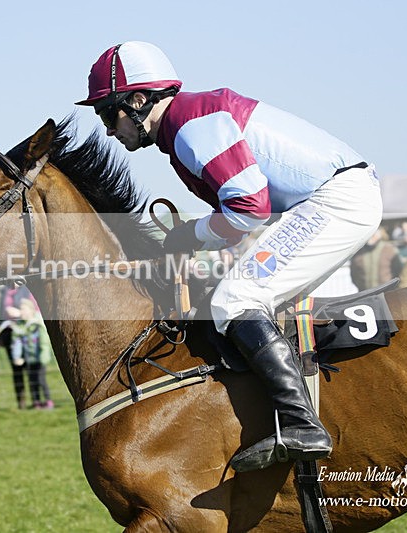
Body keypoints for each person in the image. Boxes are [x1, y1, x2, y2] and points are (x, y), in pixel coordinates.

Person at [77, 41, 383, 471]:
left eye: (108, 113)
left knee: (235, 299)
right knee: (239, 295)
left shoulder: (190, 126)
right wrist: (195, 237)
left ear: (138, 101)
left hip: (332, 201)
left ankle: (301, 424)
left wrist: (189, 234)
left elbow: (249, 208)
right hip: (325, 199)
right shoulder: (185, 126)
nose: (109, 129)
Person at [10, 299, 54, 410]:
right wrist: (17, 357)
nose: (22, 312)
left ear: (31, 310)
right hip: (29, 359)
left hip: (40, 359)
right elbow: (16, 343)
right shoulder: (20, 326)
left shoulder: (37, 324)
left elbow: (44, 342)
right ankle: (36, 402)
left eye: (24, 309)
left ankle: (48, 401)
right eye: (21, 310)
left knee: (41, 380)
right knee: (32, 381)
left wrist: (44, 357)